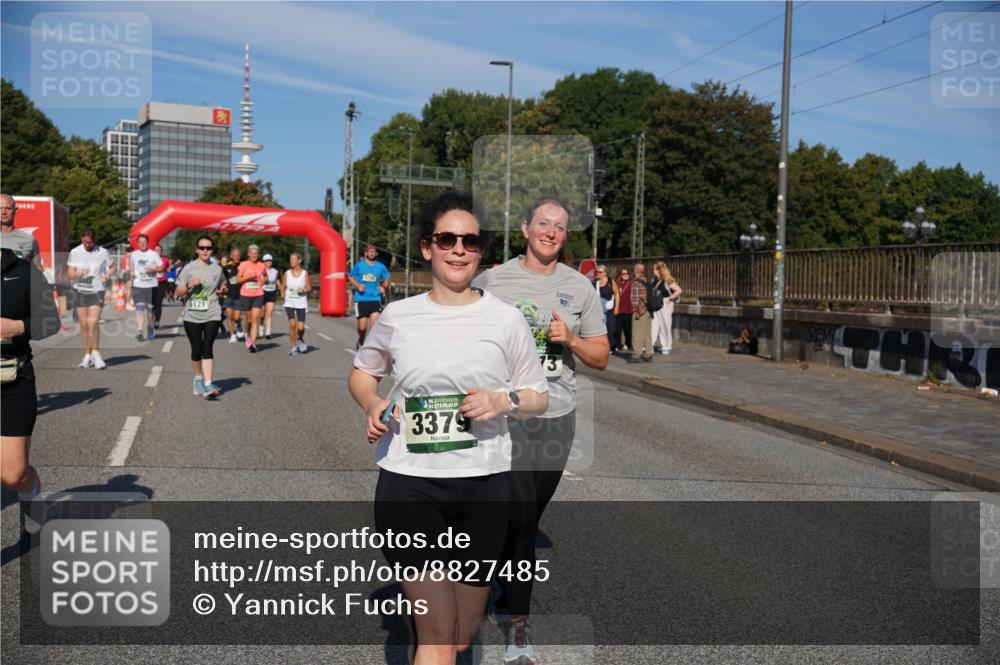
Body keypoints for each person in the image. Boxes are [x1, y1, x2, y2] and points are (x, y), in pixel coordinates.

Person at [349, 192, 548, 664]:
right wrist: (372, 401)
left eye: (470, 241)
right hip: (409, 485)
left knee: (460, 635)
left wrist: (502, 400)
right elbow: (362, 372)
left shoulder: (504, 319)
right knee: (437, 635)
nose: (458, 249)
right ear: (427, 247)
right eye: (447, 239)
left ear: (481, 252)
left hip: (484, 485)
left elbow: (538, 395)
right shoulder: (399, 316)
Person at [472, 196, 608, 664]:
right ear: (525, 228)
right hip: (505, 415)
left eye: (560, 227)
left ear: (566, 236)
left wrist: (569, 339)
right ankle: (518, 629)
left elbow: (602, 357)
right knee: (522, 521)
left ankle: (493, 585)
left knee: (524, 519)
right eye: (543, 224)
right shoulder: (494, 280)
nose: (551, 232)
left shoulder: (580, 288)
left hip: (557, 414)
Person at [1, 247, 61, 532]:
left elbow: (51, 322)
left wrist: (17, 326)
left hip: (12, 379)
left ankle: (30, 487)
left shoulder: (25, 273)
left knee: (13, 475)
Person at [175, 235, 225, 397]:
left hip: (212, 313)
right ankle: (198, 379)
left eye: (208, 248)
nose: (205, 250)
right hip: (192, 315)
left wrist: (223, 290)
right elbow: (178, 292)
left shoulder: (217, 269)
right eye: (202, 248)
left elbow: (223, 284)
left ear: (212, 250)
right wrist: (189, 285)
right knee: (196, 350)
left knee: (207, 348)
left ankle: (209, 384)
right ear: (197, 250)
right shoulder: (189, 268)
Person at [66, 228, 114, 369]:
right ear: (81, 239)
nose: (88, 244)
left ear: (94, 241)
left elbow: (112, 267)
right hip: (80, 290)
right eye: (85, 241)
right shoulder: (74, 252)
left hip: (96, 291)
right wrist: (79, 273)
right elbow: (70, 274)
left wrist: (107, 275)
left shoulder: (102, 252)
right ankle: (87, 355)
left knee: (93, 323)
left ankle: (96, 354)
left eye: (90, 242)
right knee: (84, 325)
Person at [348, 243, 391, 348]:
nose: (371, 253)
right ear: (366, 253)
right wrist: (358, 286)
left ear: (376, 253)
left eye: (373, 252)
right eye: (369, 251)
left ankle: (370, 346)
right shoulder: (359, 265)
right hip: (361, 299)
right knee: (362, 328)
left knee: (375, 326)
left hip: (375, 298)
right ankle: (361, 339)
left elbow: (387, 279)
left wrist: (383, 287)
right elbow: (350, 277)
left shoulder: (381, 267)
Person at [129, 234, 163, 341]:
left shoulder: (153, 255)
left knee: (149, 308)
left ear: (147, 243)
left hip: (151, 285)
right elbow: (132, 266)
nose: (142, 244)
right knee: (139, 307)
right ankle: (140, 330)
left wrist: (152, 270)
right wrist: (132, 273)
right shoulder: (134, 254)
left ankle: (150, 328)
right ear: (137, 243)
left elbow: (161, 268)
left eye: (144, 242)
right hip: (138, 284)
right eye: (140, 242)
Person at [236, 244, 268, 353]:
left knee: (255, 319)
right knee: (249, 320)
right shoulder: (243, 264)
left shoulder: (261, 265)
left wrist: (261, 282)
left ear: (258, 254)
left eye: (256, 253)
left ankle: (253, 344)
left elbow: (266, 276)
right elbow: (238, 279)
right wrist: (248, 277)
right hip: (245, 294)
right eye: (252, 253)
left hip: (258, 294)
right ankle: (248, 334)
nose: (254, 255)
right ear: (248, 254)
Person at [281, 251, 311, 356]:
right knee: (292, 325)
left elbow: (309, 288)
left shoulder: (304, 274)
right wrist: (282, 293)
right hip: (289, 302)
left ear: (299, 261)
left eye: (293, 259)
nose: (291, 261)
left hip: (301, 302)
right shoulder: (287, 273)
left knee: (301, 327)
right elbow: (283, 286)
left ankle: (301, 338)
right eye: (290, 259)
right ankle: (294, 347)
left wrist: (304, 290)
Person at [650, 262, 683, 355]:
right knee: (654, 324)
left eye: (655, 269)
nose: (653, 271)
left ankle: (666, 345)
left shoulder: (667, 280)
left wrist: (671, 298)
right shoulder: (653, 280)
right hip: (656, 304)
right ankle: (650, 344)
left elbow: (679, 290)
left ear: (660, 270)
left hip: (665, 304)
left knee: (665, 325)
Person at [0, 194, 41, 266]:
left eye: (8, 208)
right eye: (0, 208)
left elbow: (37, 271)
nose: (3, 212)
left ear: (15, 210)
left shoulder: (29, 240)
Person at [627, 263, 654, 363]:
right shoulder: (646, 281)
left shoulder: (636, 282)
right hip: (648, 310)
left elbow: (635, 299)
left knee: (637, 333)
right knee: (647, 333)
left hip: (640, 311)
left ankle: (636, 355)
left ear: (636, 270)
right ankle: (648, 354)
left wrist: (636, 312)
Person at [222, 248, 245, 342]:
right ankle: (232, 335)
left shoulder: (243, 266)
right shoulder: (227, 267)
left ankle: (239, 325)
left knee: (236, 317)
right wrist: (223, 286)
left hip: (240, 295)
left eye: (238, 255)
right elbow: (223, 279)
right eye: (235, 255)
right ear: (231, 256)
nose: (237, 257)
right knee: (229, 316)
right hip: (229, 295)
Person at [594, 264, 618, 355]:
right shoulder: (595, 283)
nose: (598, 273)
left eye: (600, 272)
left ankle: (611, 346)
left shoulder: (611, 282)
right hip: (599, 310)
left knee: (610, 328)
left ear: (605, 273)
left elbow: (617, 294)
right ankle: (601, 346)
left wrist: (617, 307)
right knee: (600, 330)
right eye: (597, 272)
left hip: (610, 309)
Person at [151, 245, 171, 329]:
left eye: (159, 250)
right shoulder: (150, 260)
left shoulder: (165, 260)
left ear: (161, 251)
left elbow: (167, 269)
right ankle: (151, 319)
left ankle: (157, 321)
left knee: (158, 303)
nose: (157, 251)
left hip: (161, 283)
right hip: (151, 283)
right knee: (152, 303)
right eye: (156, 250)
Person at [261, 253, 279, 339]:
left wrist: (281, 288)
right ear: (263, 262)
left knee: (270, 313)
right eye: (266, 260)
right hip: (262, 292)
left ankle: (268, 332)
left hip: (271, 293)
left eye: (270, 260)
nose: (268, 262)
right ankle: (261, 324)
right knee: (262, 313)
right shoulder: (261, 270)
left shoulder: (275, 271)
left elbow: (277, 281)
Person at [615, 266, 633, 352]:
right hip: (618, 309)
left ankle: (628, 343)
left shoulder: (631, 283)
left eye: (627, 273)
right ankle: (618, 345)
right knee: (617, 329)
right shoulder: (616, 283)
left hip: (628, 309)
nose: (626, 275)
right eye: (624, 274)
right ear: (620, 274)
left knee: (628, 328)